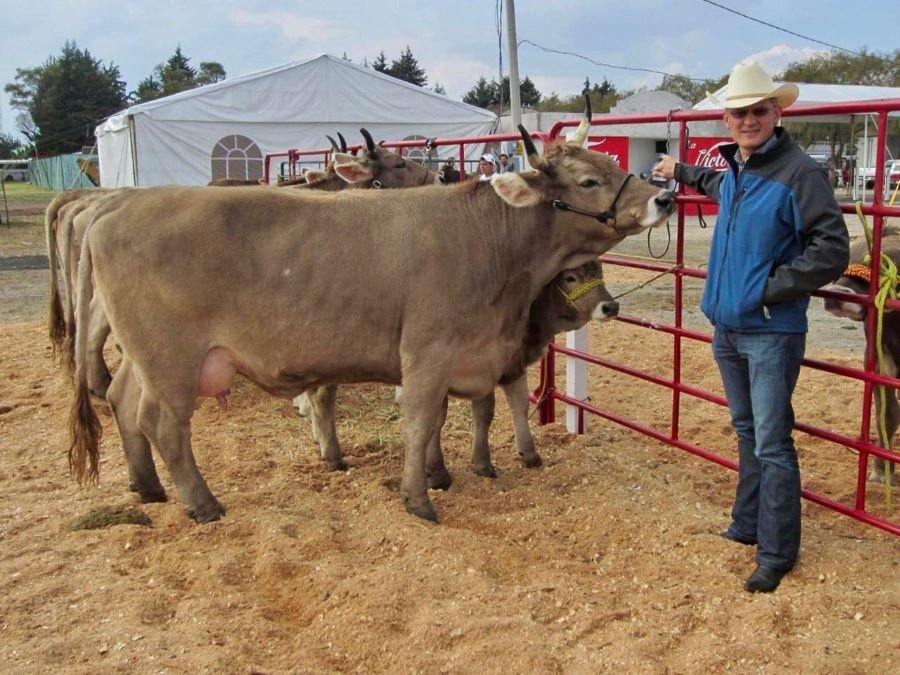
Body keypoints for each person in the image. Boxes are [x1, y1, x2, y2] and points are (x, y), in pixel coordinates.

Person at [653, 62, 849, 593]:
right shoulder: (738, 170)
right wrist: (678, 170)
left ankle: (778, 551)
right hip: (731, 327)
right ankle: (747, 524)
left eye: (758, 110)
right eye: (739, 112)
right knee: (747, 432)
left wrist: (767, 287)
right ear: (727, 120)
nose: (748, 120)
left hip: (769, 327)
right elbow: (714, 182)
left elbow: (832, 249)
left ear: (776, 113)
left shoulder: (800, 173)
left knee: (771, 441)